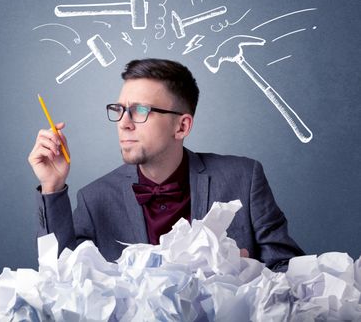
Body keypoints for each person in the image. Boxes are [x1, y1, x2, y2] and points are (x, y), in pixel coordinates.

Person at [28, 58, 304, 272]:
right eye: (119, 109)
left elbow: (288, 272)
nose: (124, 123)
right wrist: (53, 186)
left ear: (182, 126)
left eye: (139, 110)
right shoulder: (94, 198)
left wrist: (245, 272)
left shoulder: (244, 178)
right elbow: (60, 279)